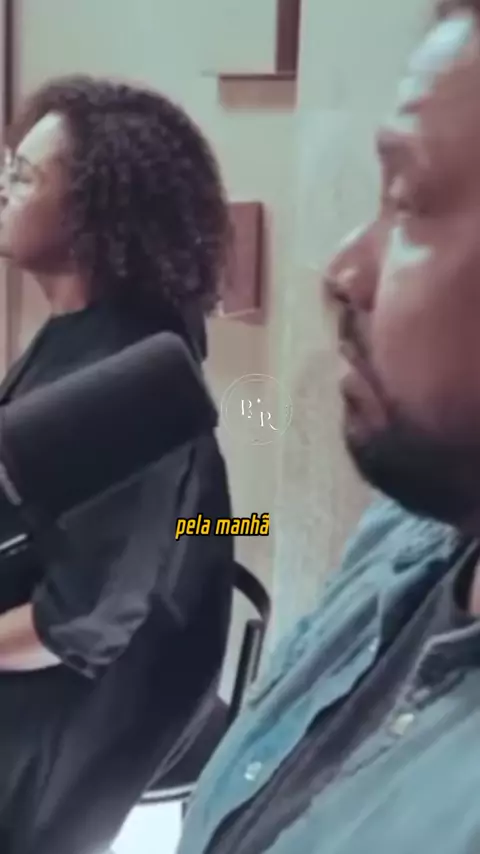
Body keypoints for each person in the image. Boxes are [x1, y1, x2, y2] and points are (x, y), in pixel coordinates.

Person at [176, 2, 480, 852]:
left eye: (406, 200)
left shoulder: (152, 375)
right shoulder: (408, 529)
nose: (341, 269)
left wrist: (207, 536)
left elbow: (190, 541)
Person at [0, 75, 234, 853]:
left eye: (24, 175)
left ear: (93, 210)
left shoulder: (132, 374)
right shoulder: (76, 331)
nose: (3, 187)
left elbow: (78, 624)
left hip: (60, 716)